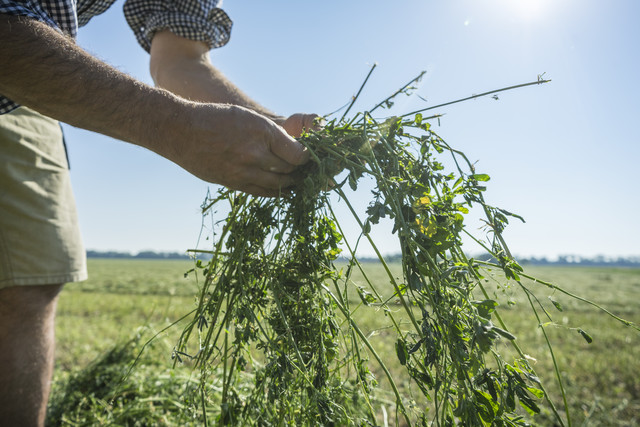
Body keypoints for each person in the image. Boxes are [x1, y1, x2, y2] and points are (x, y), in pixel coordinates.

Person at [0, 1, 317, 424]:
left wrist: (272, 131)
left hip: (19, 92)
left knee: (32, 277)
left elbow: (180, 61)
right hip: (17, 48)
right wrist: (174, 126)